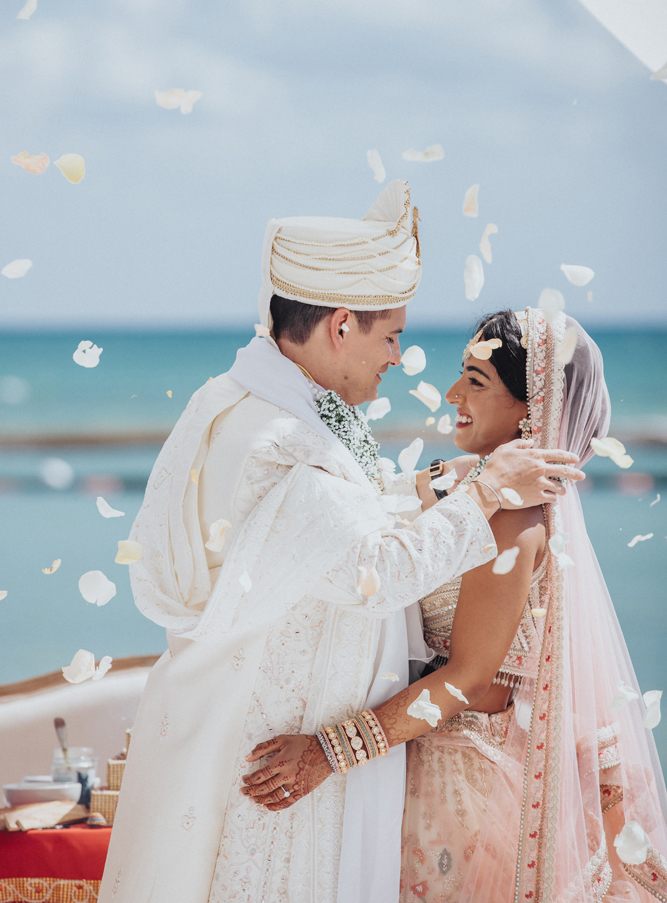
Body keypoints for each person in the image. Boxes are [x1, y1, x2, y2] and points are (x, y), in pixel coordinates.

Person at [98, 183, 582, 903]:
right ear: (341, 326)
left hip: (284, 742)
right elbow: (371, 573)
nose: (398, 356)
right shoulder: (281, 441)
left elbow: (308, 529)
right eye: (390, 335)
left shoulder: (231, 404)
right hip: (280, 764)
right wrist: (481, 491)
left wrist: (416, 491)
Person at [244, 307, 667, 903]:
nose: (450, 394)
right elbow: (382, 504)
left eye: (475, 380)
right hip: (432, 762)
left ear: (530, 410)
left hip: (469, 793)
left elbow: (469, 680)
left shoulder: (515, 519)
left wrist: (324, 754)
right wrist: (465, 474)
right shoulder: (479, 488)